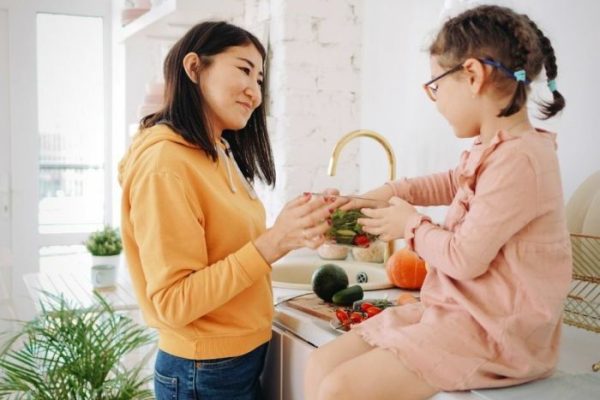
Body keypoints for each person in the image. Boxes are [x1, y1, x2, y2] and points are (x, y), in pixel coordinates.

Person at [305, 5, 571, 400]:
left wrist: (409, 225)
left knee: (339, 389)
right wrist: (392, 192)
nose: (435, 99)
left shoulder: (523, 159)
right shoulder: (494, 148)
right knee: (320, 366)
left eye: (436, 85)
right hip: (454, 313)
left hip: (494, 331)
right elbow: (450, 182)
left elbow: (465, 258)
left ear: (472, 76)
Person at [119, 21, 338, 400]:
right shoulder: (166, 165)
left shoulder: (217, 150)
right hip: (201, 372)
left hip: (231, 363)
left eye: (260, 79)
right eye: (244, 69)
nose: (255, 92)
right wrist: (272, 243)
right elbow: (173, 302)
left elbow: (229, 249)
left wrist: (294, 227)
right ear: (194, 68)